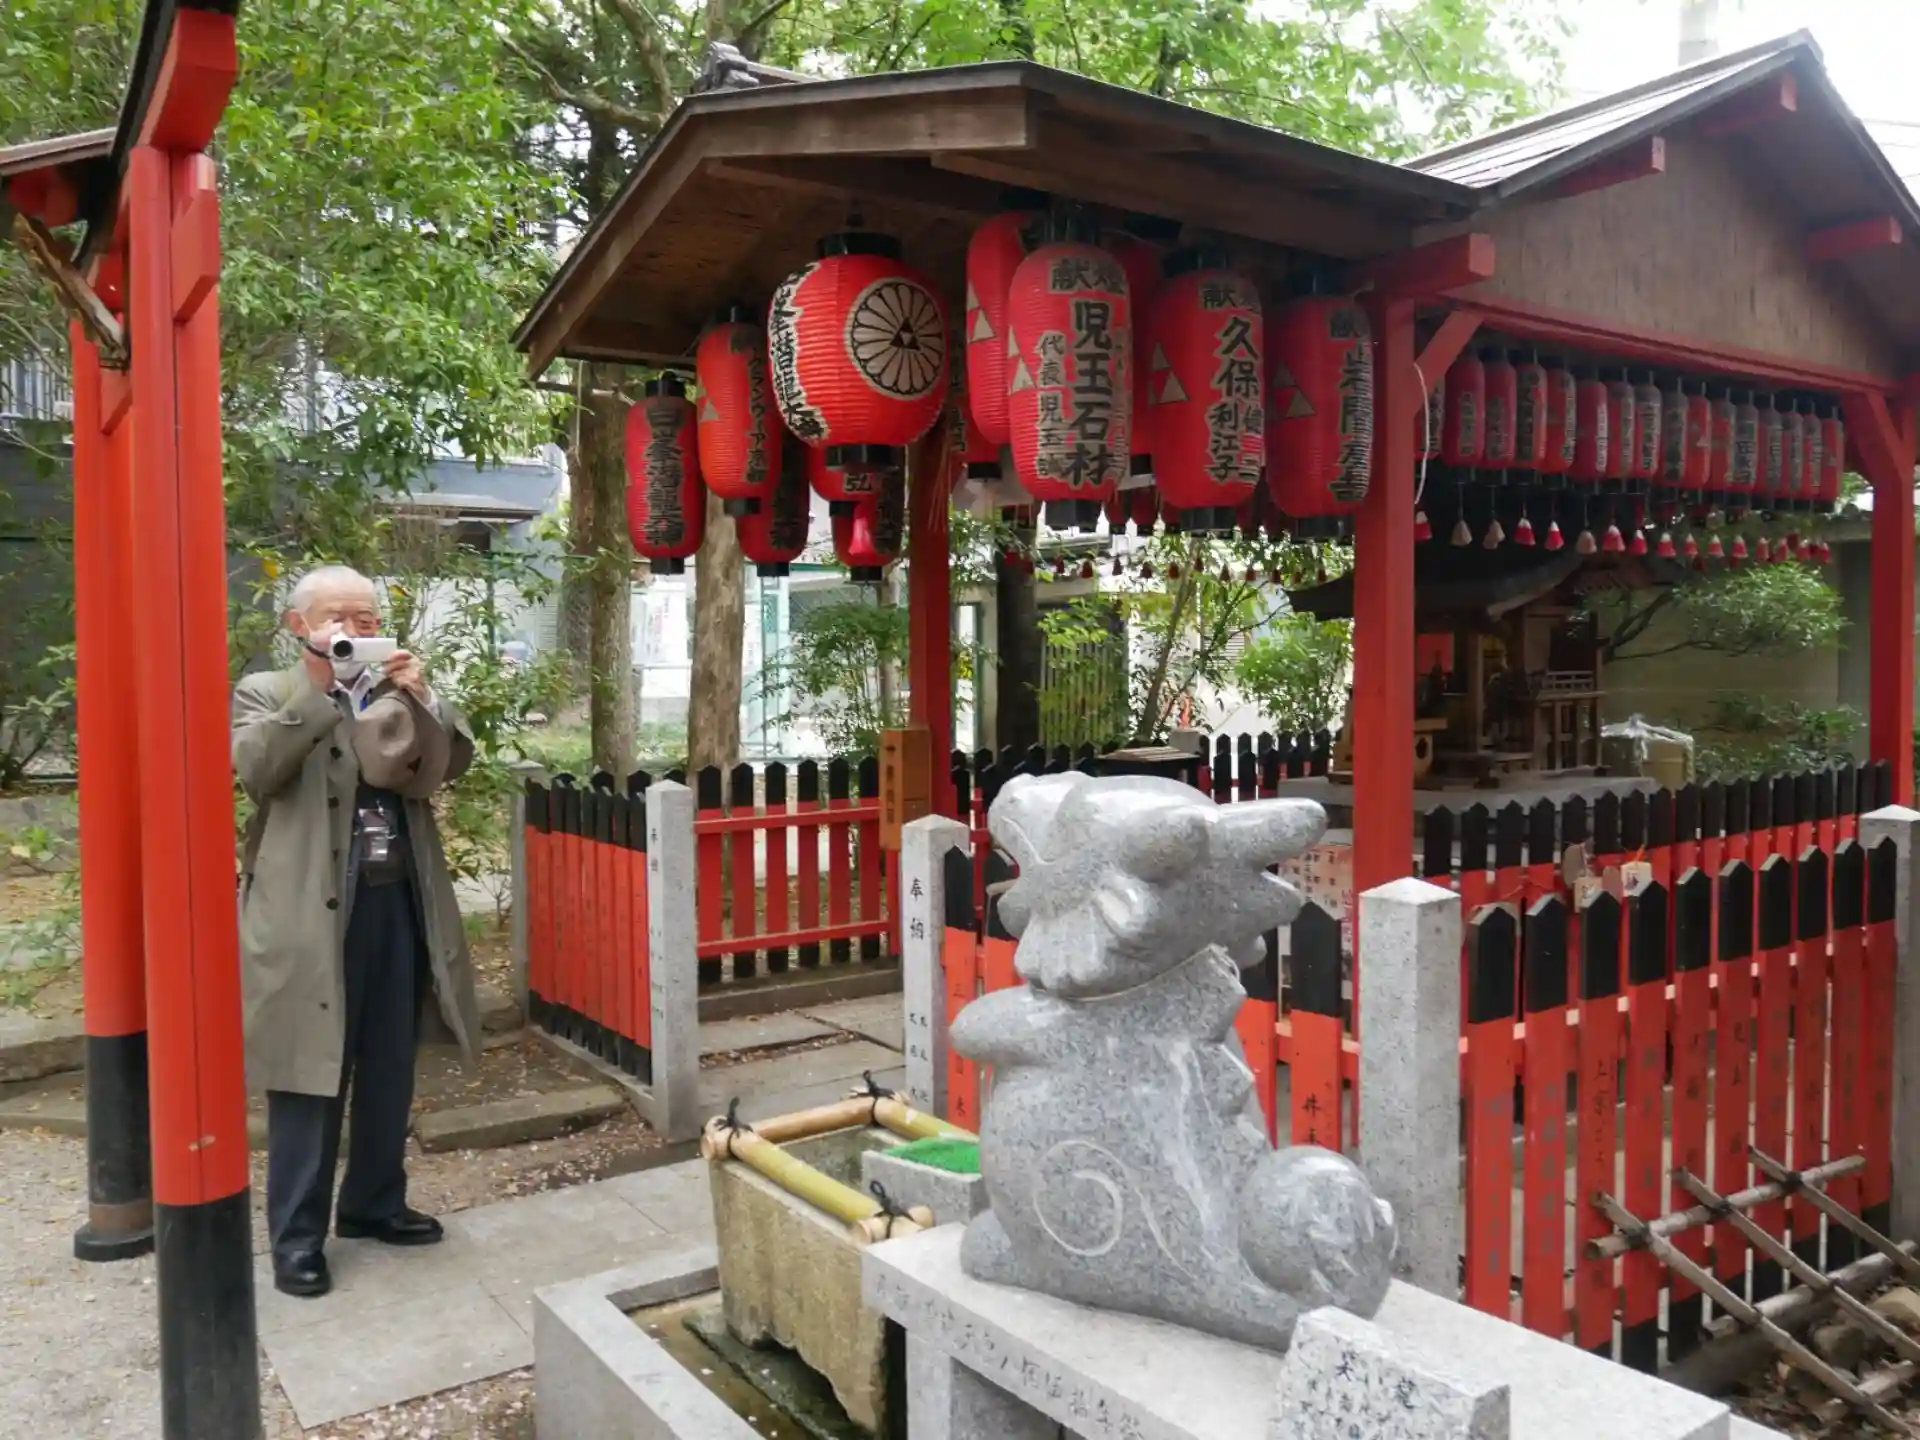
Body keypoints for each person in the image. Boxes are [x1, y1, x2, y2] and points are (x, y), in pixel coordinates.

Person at [232, 564, 482, 1298]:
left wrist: (424, 699)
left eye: (367, 619)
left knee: (389, 1062)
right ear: (298, 625)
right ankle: (296, 1237)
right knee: (308, 1073)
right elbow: (255, 770)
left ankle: (374, 1203)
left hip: (396, 900)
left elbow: (452, 765)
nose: (354, 630)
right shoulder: (268, 690)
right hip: (307, 913)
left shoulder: (393, 690)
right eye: (337, 618)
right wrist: (319, 690)